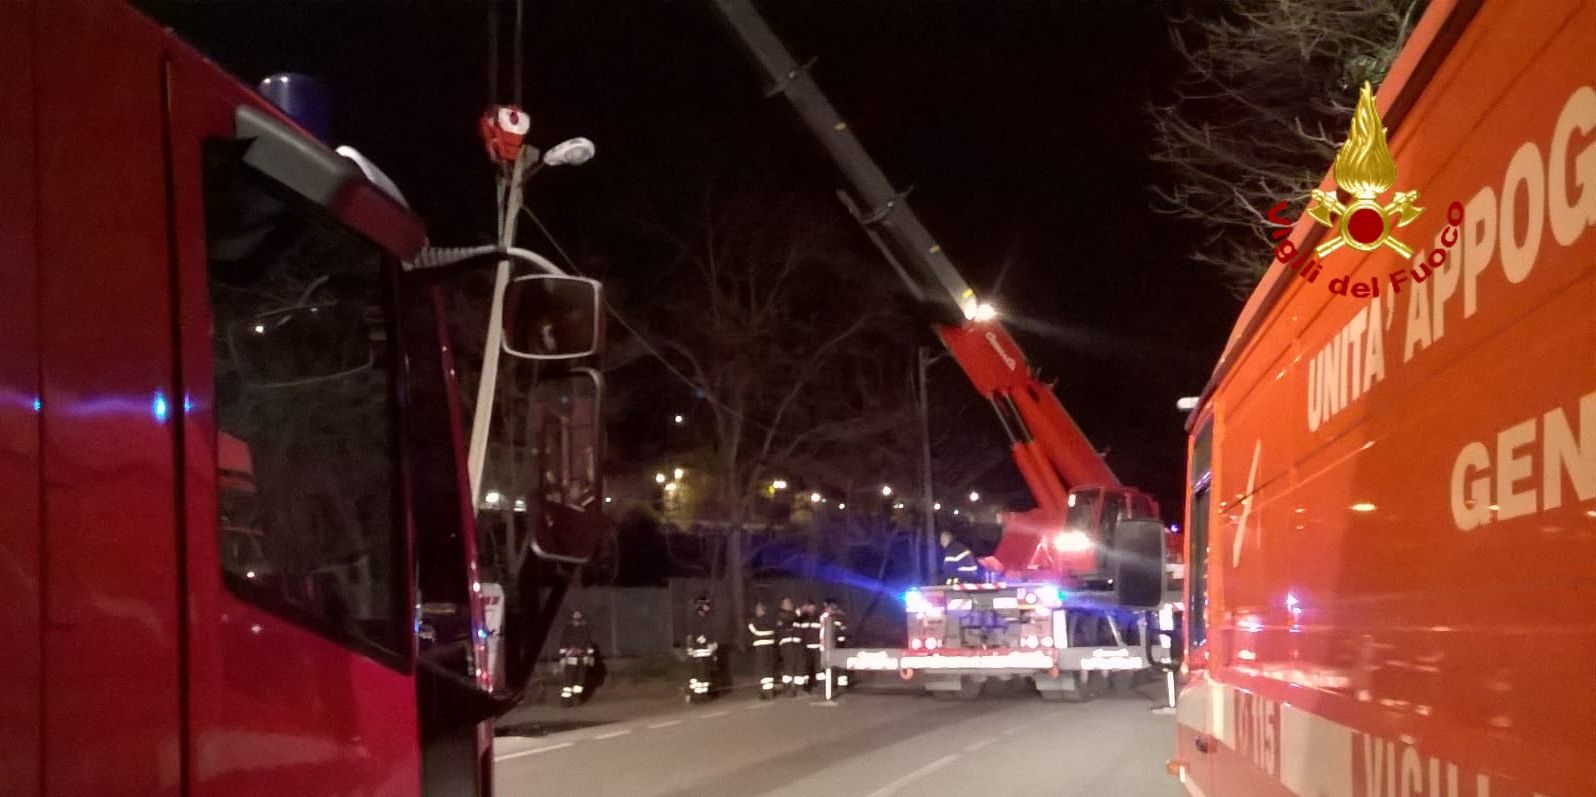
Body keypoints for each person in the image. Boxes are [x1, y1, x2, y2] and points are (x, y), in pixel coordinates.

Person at [557, 610, 595, 708]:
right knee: (568, 681)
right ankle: (565, 702)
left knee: (579, 681)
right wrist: (563, 657)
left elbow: (589, 644)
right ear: (572, 619)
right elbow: (563, 643)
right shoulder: (568, 629)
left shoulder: (585, 629)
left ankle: (576, 698)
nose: (577, 620)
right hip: (570, 658)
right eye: (575, 617)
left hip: (582, 658)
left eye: (578, 618)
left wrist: (588, 655)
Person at [685, 595, 718, 702]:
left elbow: (710, 633)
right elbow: (698, 634)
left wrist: (713, 644)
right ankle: (698, 696)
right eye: (707, 605)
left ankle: (703, 694)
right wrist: (708, 643)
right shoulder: (696, 618)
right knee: (700, 675)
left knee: (704, 675)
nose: (709, 607)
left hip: (705, 652)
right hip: (700, 651)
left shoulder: (705, 618)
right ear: (701, 606)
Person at [746, 601, 779, 699]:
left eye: (757, 609)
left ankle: (766, 692)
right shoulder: (772, 621)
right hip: (771, 648)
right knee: (768, 669)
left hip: (761, 649)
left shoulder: (756, 622)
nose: (756, 611)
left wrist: (750, 621)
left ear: (761, 610)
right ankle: (768, 691)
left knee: (763, 670)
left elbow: (753, 629)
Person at [819, 597, 850, 690]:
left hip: (840, 645)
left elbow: (844, 630)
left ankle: (842, 685)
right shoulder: (824, 617)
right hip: (828, 646)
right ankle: (829, 685)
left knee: (840, 665)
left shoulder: (840, 616)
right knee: (828, 665)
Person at [777, 597, 803, 697]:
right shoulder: (781, 614)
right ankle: (788, 689)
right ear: (782, 606)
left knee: (799, 666)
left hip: (797, 644)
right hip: (787, 645)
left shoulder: (795, 615)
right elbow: (788, 618)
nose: (789, 604)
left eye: (790, 602)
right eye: (787, 603)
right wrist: (798, 612)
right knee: (788, 667)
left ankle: (799, 688)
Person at [798, 598, 821, 693]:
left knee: (818, 667)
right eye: (808, 608)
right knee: (806, 667)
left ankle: (821, 685)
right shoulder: (802, 618)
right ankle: (806, 686)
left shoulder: (819, 617)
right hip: (806, 647)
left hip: (817, 646)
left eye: (812, 608)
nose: (810, 610)